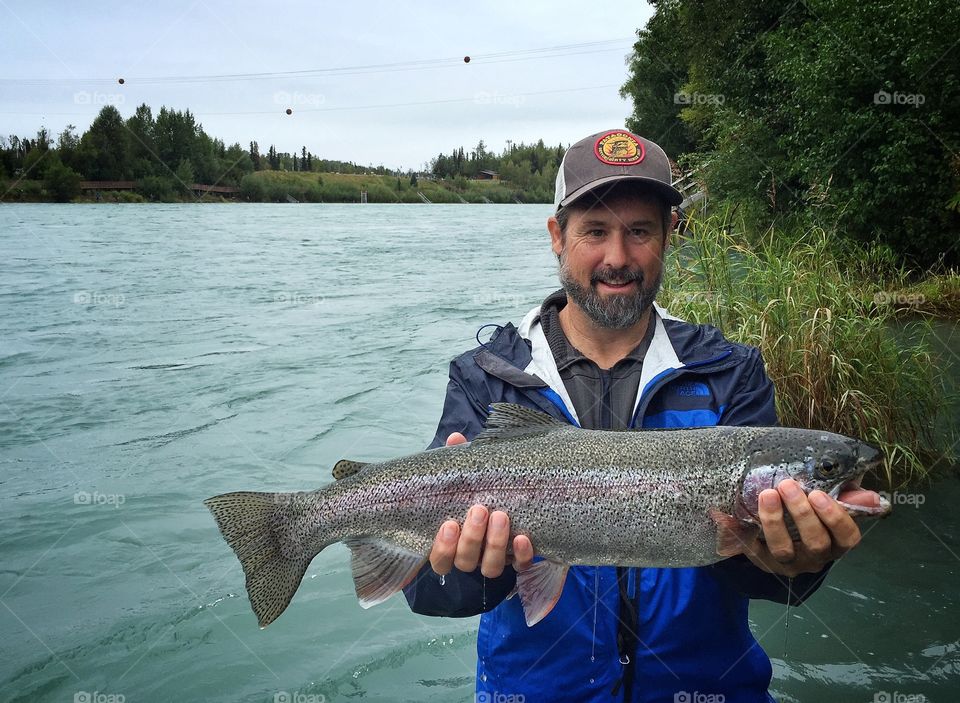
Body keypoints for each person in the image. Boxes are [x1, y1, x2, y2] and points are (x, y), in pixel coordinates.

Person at [403, 129, 879, 702]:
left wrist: (798, 564)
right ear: (557, 236)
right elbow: (428, 593)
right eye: (595, 232)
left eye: (639, 232)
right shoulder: (486, 376)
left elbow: (764, 582)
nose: (618, 258)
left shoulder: (731, 372)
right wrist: (482, 569)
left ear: (669, 237)